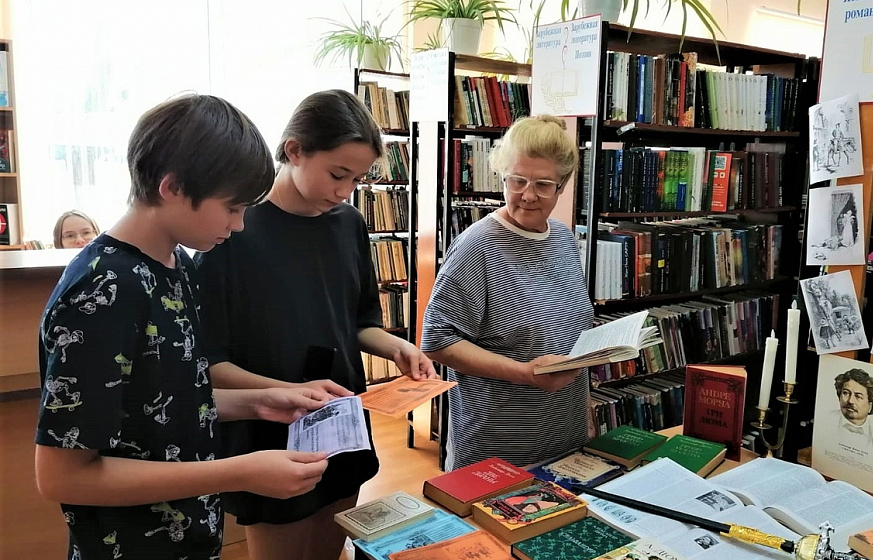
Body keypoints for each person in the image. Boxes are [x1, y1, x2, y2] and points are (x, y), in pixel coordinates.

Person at [34, 94, 339, 560]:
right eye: (232, 208)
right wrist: (239, 472)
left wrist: (262, 402)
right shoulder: (104, 290)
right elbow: (63, 475)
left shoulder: (178, 264)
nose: (239, 225)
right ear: (172, 187)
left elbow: (162, 402)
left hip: (190, 534)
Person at [195, 89, 436, 560]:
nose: (345, 191)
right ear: (294, 150)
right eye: (338, 174)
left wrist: (397, 348)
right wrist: (286, 393)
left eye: (358, 180)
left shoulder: (349, 224)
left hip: (340, 419)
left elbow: (359, 322)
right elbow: (210, 363)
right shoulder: (231, 229)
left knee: (331, 545)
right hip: (267, 429)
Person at [421, 115, 593, 471]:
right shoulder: (477, 246)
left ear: (562, 186)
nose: (528, 195)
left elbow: (569, 334)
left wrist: (585, 408)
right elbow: (437, 341)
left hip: (566, 437)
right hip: (496, 448)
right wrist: (523, 372)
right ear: (502, 175)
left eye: (543, 185)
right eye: (517, 180)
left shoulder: (563, 239)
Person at [831, 368, 873, 449]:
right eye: (846, 393)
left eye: (858, 396)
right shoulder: (825, 419)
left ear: (870, 406)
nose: (850, 401)